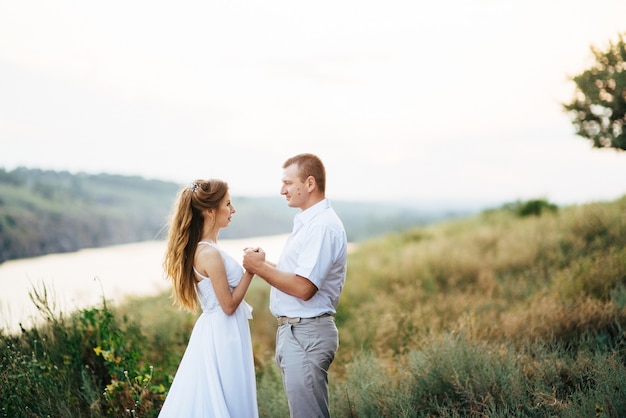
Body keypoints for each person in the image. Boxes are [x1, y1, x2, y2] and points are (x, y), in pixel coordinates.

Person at [243, 153, 347, 418]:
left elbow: (304, 288)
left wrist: (259, 268)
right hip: (297, 333)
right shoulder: (310, 223)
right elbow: (300, 275)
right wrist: (267, 264)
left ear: (309, 183)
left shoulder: (322, 227)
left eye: (288, 183)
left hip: (306, 334)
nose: (282, 190)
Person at [159, 179, 258, 418]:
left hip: (221, 330)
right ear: (210, 210)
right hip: (224, 333)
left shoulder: (208, 247)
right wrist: (252, 270)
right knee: (228, 394)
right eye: (228, 204)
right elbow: (229, 305)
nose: (233, 210)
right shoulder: (209, 253)